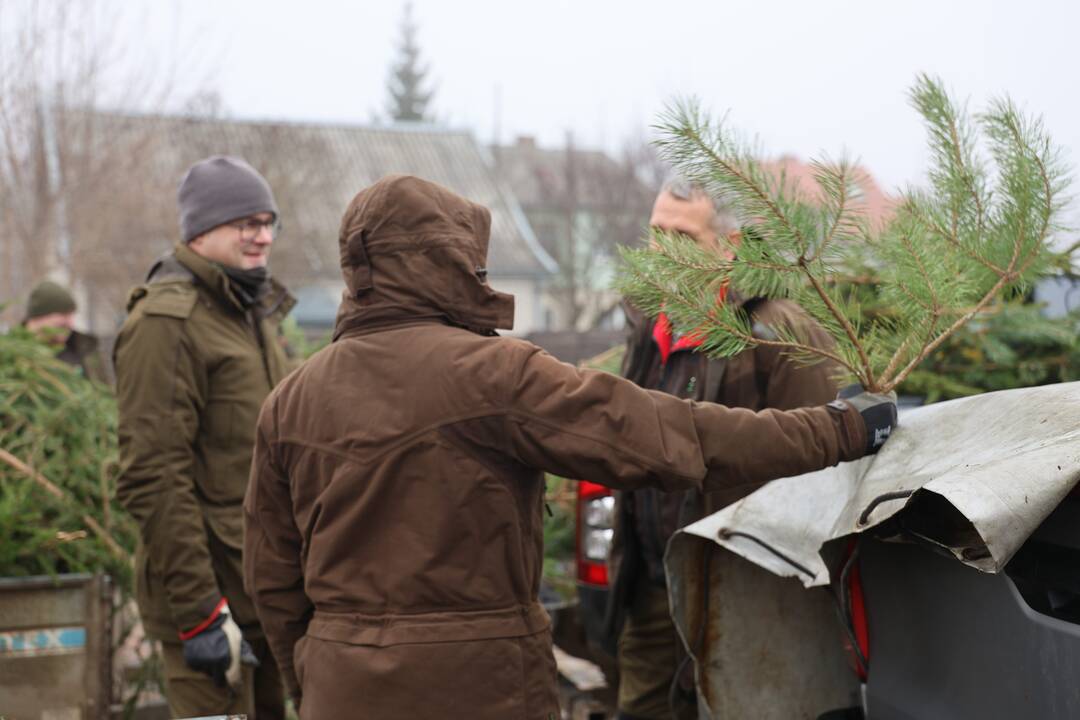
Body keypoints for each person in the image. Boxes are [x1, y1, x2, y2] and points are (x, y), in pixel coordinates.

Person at [243, 174, 895, 720]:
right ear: (442, 262)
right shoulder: (494, 375)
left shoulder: (290, 400)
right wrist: (842, 428)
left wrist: (315, 668)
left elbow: (270, 574)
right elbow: (672, 435)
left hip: (340, 688)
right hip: (483, 687)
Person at [608, 180, 842, 720]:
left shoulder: (779, 332)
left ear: (729, 244)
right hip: (650, 584)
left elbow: (821, 463)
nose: (663, 250)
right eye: (656, 232)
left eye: (683, 236)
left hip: (741, 592)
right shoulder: (648, 322)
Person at [114, 156, 294, 719]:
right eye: (246, 222)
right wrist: (198, 611)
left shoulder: (251, 312)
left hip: (263, 594)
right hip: (210, 602)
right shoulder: (167, 325)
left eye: (268, 222)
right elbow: (152, 475)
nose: (262, 236)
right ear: (201, 230)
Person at [22, 280, 109, 383]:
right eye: (64, 315)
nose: (70, 323)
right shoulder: (11, 355)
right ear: (38, 318)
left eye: (71, 315)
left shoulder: (85, 349)